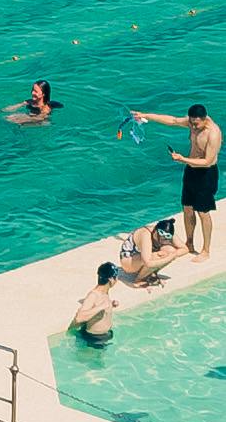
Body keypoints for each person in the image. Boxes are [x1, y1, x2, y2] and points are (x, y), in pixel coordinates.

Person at [130, 104, 220, 258]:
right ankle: (189, 242)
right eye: (191, 122)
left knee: (203, 212)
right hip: (191, 170)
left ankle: (206, 250)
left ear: (204, 120)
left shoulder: (213, 134)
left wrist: (183, 159)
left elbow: (207, 160)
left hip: (206, 174)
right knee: (187, 207)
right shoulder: (193, 123)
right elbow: (172, 120)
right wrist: (145, 115)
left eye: (196, 123)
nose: (192, 126)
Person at [118, 217, 186, 286]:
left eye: (166, 238)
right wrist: (169, 258)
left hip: (141, 258)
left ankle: (150, 273)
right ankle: (139, 279)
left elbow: (185, 249)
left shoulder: (167, 232)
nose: (162, 240)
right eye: (160, 236)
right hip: (128, 261)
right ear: (155, 230)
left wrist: (173, 254)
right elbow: (148, 263)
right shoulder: (145, 234)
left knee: (171, 251)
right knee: (158, 256)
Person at [71, 263, 119, 343]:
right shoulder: (93, 295)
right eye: (116, 277)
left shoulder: (104, 292)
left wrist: (111, 304)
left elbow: (98, 306)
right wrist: (101, 306)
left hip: (103, 337)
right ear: (111, 279)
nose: (117, 280)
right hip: (93, 339)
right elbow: (79, 318)